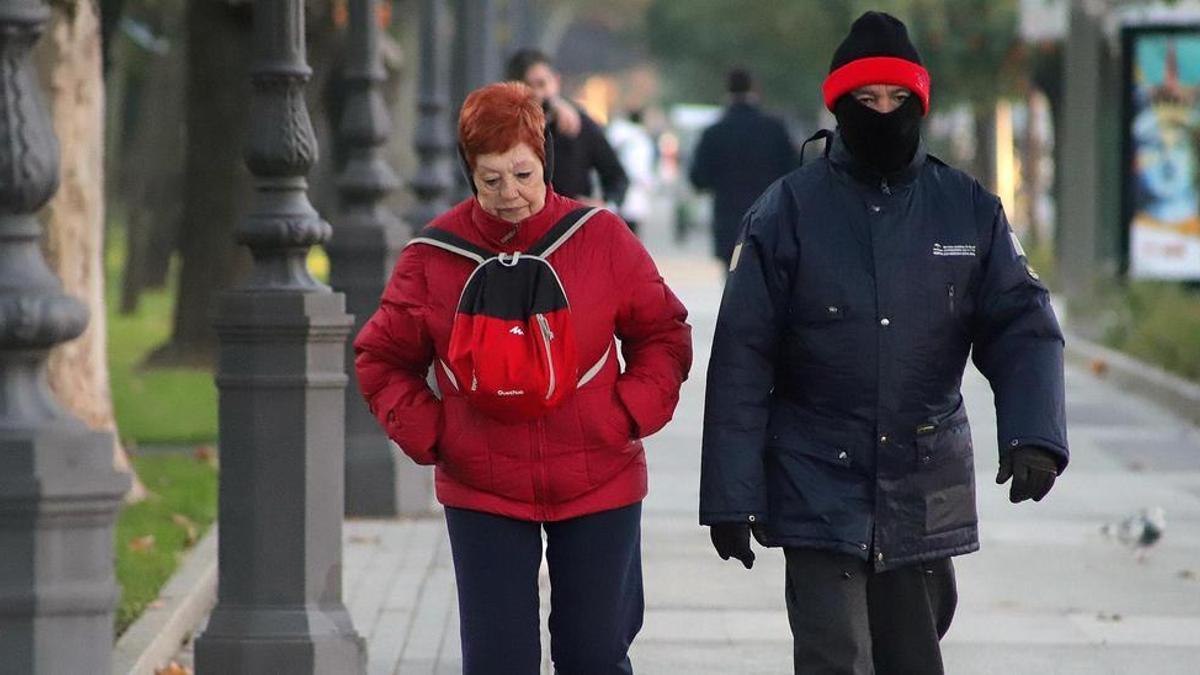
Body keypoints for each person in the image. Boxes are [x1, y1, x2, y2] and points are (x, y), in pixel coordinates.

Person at [699, 12, 1068, 674]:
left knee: (912, 655)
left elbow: (1022, 321)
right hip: (815, 472)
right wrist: (731, 492)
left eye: (899, 100)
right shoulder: (786, 211)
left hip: (926, 476)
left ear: (920, 104)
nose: (883, 113)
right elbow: (742, 359)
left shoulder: (967, 207)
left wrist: (1034, 432)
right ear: (839, 105)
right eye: (866, 101)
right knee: (834, 654)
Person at [354, 82, 692, 675]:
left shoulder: (600, 238)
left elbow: (663, 332)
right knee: (497, 661)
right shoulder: (434, 256)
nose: (510, 194)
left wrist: (628, 413)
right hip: (483, 486)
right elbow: (381, 358)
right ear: (469, 175)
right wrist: (436, 436)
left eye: (523, 174)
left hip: (599, 478)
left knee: (594, 657)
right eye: (491, 180)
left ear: (546, 164)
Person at [689, 68, 798, 269]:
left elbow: (698, 178)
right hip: (771, 219)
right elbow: (795, 170)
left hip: (729, 223)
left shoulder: (714, 133)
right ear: (754, 89)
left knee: (734, 282)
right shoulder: (774, 129)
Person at [506, 48, 629, 210]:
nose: (536, 93)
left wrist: (605, 207)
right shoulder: (503, 128)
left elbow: (616, 177)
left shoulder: (580, 124)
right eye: (527, 86)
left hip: (571, 224)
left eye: (542, 84)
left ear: (556, 82)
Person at [606, 109, 658, 236]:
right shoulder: (641, 140)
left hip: (612, 193)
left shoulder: (614, 134)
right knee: (630, 235)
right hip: (633, 193)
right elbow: (639, 168)